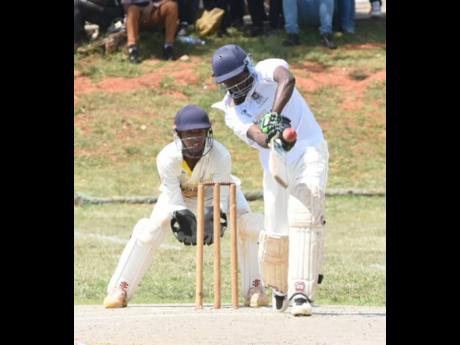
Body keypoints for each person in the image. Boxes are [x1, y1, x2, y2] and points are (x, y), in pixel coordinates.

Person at [104, 104, 269, 308]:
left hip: (216, 193)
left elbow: (222, 196)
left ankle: (255, 288)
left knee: (250, 225)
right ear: (178, 133)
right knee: (149, 231)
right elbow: (173, 199)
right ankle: (120, 289)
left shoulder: (221, 155)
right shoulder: (166, 158)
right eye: (189, 134)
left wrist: (216, 214)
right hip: (181, 195)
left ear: (208, 132)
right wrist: (180, 215)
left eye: (200, 133)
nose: (195, 140)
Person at [211, 44, 329, 316]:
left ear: (248, 67)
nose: (233, 84)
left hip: (309, 147)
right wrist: (271, 137)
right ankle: (280, 285)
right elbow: (257, 137)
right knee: (276, 224)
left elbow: (287, 80)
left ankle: (301, 291)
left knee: (304, 212)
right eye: (226, 81)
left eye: (237, 77)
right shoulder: (232, 111)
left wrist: (274, 114)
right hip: (275, 161)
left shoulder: (266, 69)